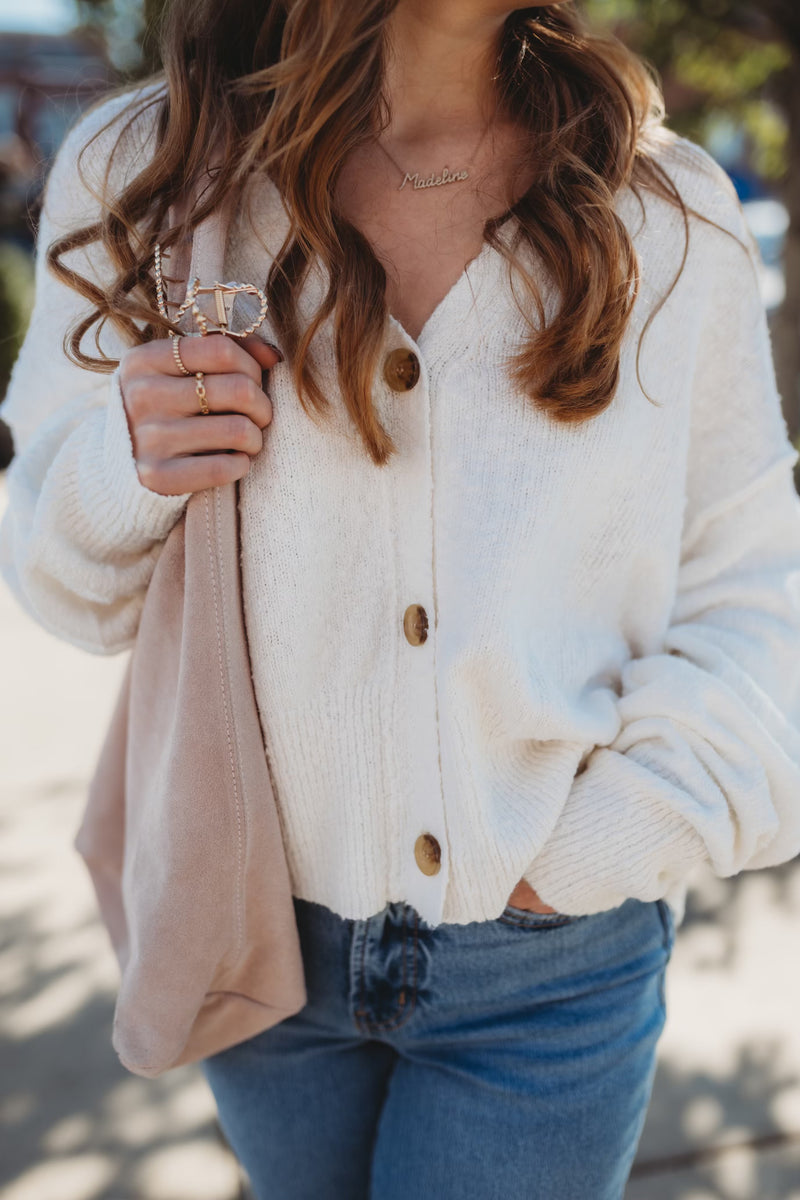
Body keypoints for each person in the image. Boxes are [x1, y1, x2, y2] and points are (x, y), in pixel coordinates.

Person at [3, 1, 800, 1196]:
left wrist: (603, 842)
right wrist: (130, 459)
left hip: (553, 967)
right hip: (256, 941)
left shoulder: (667, 210)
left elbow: (754, 590)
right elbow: (67, 593)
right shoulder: (150, 172)